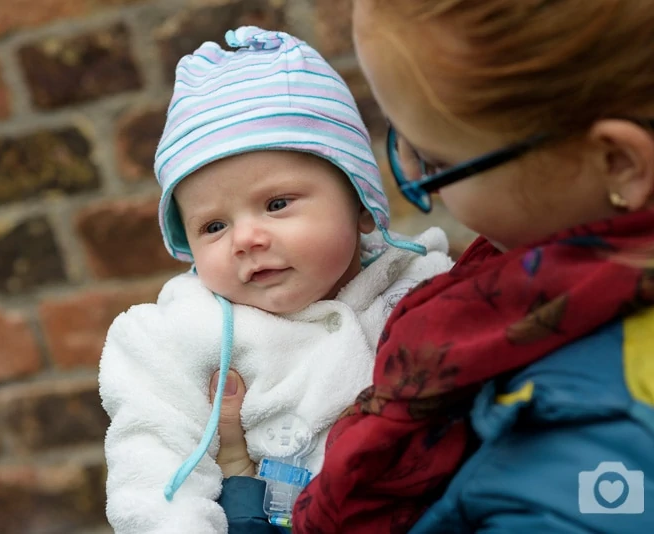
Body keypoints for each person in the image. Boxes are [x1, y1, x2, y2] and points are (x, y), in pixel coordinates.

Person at [214, 1, 654, 532]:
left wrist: (243, 498)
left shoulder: (586, 441)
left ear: (617, 163)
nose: (433, 192)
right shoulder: (523, 310)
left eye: (440, 163)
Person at [98, 26, 453, 533]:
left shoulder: (423, 287)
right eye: (213, 226)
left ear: (361, 203)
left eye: (277, 204)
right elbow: (153, 472)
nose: (245, 238)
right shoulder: (176, 338)